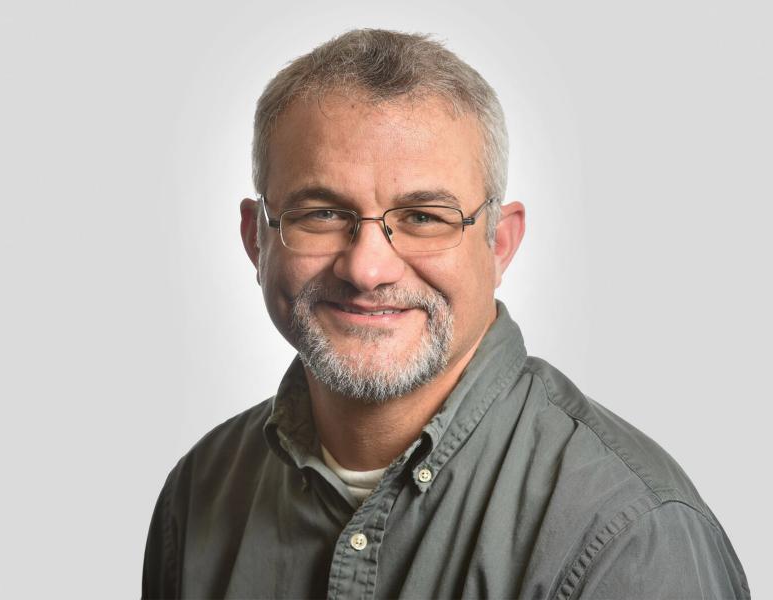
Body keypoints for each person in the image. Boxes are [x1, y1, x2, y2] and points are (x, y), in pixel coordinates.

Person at [142, 29, 749, 599]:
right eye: (321, 213)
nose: (367, 269)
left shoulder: (630, 533)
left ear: (500, 244)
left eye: (423, 217)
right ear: (256, 239)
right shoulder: (199, 493)